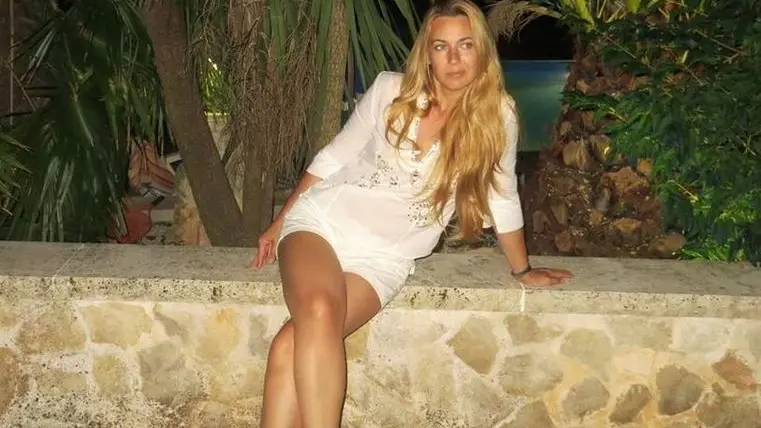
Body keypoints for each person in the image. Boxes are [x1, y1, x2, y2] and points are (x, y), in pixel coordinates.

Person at [251, 0, 572, 426]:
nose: (454, 58)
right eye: (441, 46)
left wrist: (522, 270)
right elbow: (333, 158)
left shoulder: (499, 115)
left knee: (289, 345)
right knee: (320, 310)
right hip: (323, 225)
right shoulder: (390, 90)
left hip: (385, 257)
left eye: (465, 45)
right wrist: (280, 222)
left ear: (482, 50)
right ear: (427, 53)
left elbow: (503, 196)